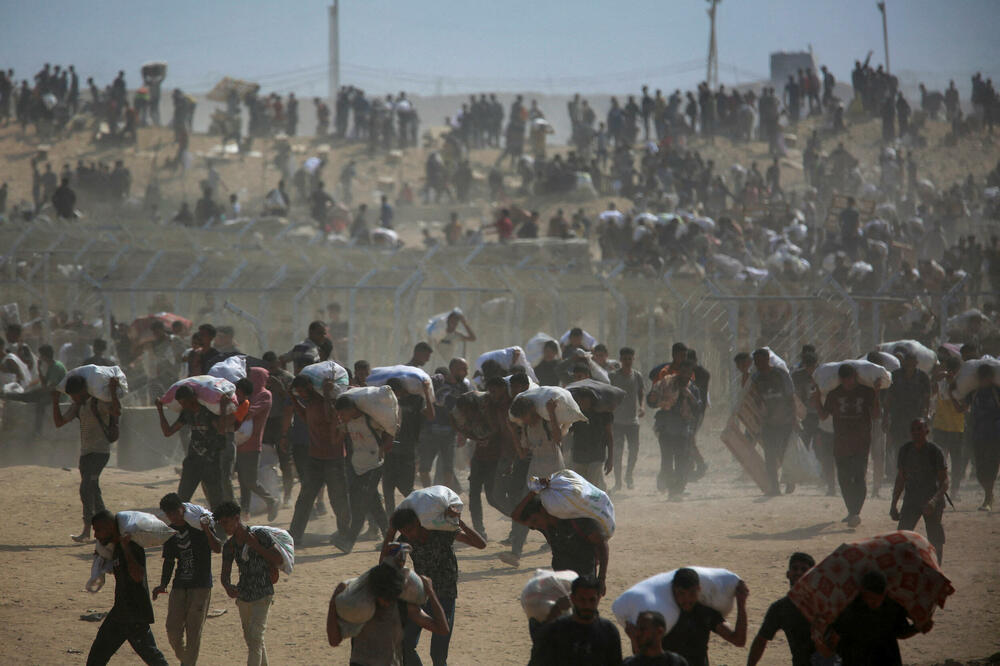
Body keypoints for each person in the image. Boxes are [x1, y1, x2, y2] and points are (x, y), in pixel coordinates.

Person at [384, 507, 486, 665]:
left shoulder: (442, 531)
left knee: (438, 655)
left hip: (445, 596)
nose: (409, 535)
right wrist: (391, 532)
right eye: (405, 532)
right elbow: (384, 564)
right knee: (405, 646)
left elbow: (481, 544)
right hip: (421, 595)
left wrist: (459, 522)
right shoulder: (405, 539)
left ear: (417, 522)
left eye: (410, 530)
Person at [86, 510, 169, 665]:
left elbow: (138, 576)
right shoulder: (116, 548)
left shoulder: (131, 546)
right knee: (97, 656)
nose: (96, 535)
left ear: (110, 526)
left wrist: (126, 549)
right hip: (120, 612)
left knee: (153, 658)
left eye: (98, 530)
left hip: (135, 614)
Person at [327, 562, 450, 665]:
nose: (386, 603)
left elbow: (442, 629)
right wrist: (333, 602)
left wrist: (431, 593)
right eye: (384, 598)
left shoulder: (403, 606)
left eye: (391, 598)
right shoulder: (360, 605)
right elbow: (334, 640)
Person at [153, 493, 221, 666]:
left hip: (201, 585)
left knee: (193, 631)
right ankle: (186, 659)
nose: (174, 517)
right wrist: (163, 584)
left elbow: (217, 548)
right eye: (169, 514)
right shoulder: (170, 531)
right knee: (172, 629)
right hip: (179, 584)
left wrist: (206, 529)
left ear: (183, 509)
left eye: (176, 512)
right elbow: (169, 560)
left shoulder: (198, 526)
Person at [52, 374, 120, 543]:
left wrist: (113, 391)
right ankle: (106, 527)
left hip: (100, 452)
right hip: (85, 454)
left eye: (75, 395)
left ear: (83, 390)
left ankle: (89, 529)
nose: (74, 398)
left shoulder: (98, 403)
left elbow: (116, 411)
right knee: (92, 490)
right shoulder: (77, 406)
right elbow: (59, 422)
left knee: (86, 488)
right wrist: (55, 401)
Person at [216, 500, 284, 666]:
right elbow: (224, 575)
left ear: (236, 518)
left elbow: (278, 559)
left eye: (226, 522)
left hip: (263, 592)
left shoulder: (259, 536)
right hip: (244, 595)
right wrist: (228, 587)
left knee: (255, 638)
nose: (224, 527)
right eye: (221, 524)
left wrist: (255, 545)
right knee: (253, 639)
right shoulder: (230, 546)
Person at [285, 375, 351, 545]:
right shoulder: (311, 404)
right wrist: (292, 397)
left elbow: (330, 418)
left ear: (310, 386)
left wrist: (327, 395)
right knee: (305, 499)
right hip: (316, 457)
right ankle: (295, 535)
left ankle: (345, 534)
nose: (301, 394)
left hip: (334, 459)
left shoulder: (327, 402)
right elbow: (304, 417)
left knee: (338, 499)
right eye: (298, 392)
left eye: (302, 390)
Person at [508, 484, 609, 592]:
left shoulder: (577, 521)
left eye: (535, 521)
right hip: (561, 581)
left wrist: (601, 578)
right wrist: (533, 492)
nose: (536, 526)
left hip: (584, 580)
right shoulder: (546, 527)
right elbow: (515, 516)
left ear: (543, 511)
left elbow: (602, 545)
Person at [815, 364, 881, 528]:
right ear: (841, 379)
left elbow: (875, 414)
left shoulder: (866, 392)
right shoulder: (834, 394)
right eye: (845, 380)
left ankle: (855, 511)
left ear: (855, 377)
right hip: (841, 442)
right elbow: (823, 416)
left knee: (859, 476)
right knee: (844, 478)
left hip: (861, 442)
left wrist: (877, 393)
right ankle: (852, 511)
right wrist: (816, 398)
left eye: (850, 379)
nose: (848, 383)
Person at [329, 393, 393, 553]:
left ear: (351, 409)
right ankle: (389, 539)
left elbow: (390, 431)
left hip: (374, 466)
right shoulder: (348, 423)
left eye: (342, 413)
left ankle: (349, 541)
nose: (340, 416)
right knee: (374, 504)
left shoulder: (371, 420)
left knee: (361, 503)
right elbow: (335, 441)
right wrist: (338, 424)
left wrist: (383, 448)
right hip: (357, 467)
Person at [822, 570, 929, 666]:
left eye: (877, 599)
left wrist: (917, 628)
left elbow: (901, 632)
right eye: (869, 598)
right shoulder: (849, 609)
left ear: (885, 593)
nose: (873, 602)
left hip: (887, 659)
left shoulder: (892, 606)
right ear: (862, 592)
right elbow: (834, 640)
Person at [155, 385, 229, 511]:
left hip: (211, 462)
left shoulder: (208, 412)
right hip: (193, 462)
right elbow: (168, 432)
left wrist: (223, 407)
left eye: (185, 402)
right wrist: (160, 410)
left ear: (194, 398)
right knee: (182, 500)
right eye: (181, 404)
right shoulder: (187, 414)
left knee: (217, 503)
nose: (184, 406)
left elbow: (222, 430)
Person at [661, 568, 748, 666]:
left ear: (699, 589)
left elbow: (738, 640)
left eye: (692, 593)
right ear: (674, 591)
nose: (687, 599)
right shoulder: (664, 614)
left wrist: (741, 604)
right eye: (681, 593)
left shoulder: (705, 614)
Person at [530, 574, 623, 666]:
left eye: (592, 600)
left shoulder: (608, 632)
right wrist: (555, 612)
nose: (587, 605)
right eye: (582, 600)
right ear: (572, 599)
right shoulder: (557, 631)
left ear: (598, 598)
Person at [890, 418, 948, 562]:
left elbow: (945, 482)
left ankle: (936, 568)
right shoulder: (905, 450)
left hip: (931, 500)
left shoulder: (935, 451)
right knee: (902, 537)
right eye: (913, 430)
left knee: (935, 539)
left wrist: (934, 501)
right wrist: (893, 504)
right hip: (911, 500)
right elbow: (901, 479)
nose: (916, 432)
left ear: (926, 430)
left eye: (919, 429)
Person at [747, 552, 817, 666]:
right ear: (788, 574)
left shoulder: (826, 602)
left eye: (804, 569)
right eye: (795, 568)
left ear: (813, 575)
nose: (798, 572)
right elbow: (761, 640)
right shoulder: (781, 608)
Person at [648, 361, 703, 500]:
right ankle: (669, 486)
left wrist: (689, 395)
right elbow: (652, 401)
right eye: (682, 372)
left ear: (691, 374)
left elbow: (698, 409)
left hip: (683, 429)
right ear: (678, 372)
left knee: (681, 461)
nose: (685, 376)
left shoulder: (692, 389)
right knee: (667, 460)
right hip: (665, 428)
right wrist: (654, 399)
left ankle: (677, 490)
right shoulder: (666, 383)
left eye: (688, 373)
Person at [750, 348, 797, 496]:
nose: (757, 364)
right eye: (755, 362)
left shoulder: (780, 374)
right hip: (768, 422)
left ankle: (789, 481)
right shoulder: (756, 377)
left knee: (783, 453)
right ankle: (774, 487)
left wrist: (793, 417)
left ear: (767, 360)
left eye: (760, 361)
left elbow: (790, 396)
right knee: (770, 455)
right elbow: (755, 397)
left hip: (784, 420)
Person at [233, 373, 280, 522]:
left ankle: (271, 500)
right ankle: (245, 512)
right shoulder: (249, 397)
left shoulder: (264, 395)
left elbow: (249, 413)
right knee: (243, 481)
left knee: (250, 481)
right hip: (240, 442)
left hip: (252, 444)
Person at [884, 353, 931, 483]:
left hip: (916, 418)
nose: (909, 364)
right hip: (898, 418)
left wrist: (926, 415)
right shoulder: (895, 376)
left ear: (916, 363)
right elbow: (889, 398)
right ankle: (901, 475)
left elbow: (927, 398)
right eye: (907, 361)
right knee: (899, 447)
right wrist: (886, 416)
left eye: (912, 361)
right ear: (904, 362)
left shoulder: (922, 377)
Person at [609, 347, 645, 491]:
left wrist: (642, 407)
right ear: (621, 360)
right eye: (625, 359)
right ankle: (618, 482)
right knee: (617, 452)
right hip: (617, 421)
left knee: (634, 450)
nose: (627, 361)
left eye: (630, 359)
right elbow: (608, 393)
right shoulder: (613, 376)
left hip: (632, 421)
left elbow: (641, 392)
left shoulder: (637, 376)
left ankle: (629, 476)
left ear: (633, 359)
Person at [966, 364, 1000, 512]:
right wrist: (951, 392)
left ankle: (988, 498)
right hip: (978, 436)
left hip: (995, 435)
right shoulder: (974, 393)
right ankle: (989, 494)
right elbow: (961, 408)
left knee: (991, 467)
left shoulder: (996, 392)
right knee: (979, 470)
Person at [931, 356, 966, 499]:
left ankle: (950, 490)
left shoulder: (961, 385)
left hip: (949, 427)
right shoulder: (943, 382)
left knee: (950, 461)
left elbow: (961, 406)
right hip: (950, 427)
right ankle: (949, 490)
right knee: (947, 461)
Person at [567, 388, 614, 490]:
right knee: (580, 488)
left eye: (584, 400)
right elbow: (567, 432)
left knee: (593, 487)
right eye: (579, 400)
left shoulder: (603, 414)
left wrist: (610, 459)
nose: (581, 402)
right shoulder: (575, 415)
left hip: (596, 456)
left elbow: (609, 436)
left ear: (591, 400)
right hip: (578, 456)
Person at [623, 611, 688, 665]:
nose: (638, 633)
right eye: (637, 628)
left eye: (643, 629)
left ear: (660, 631)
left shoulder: (676, 662)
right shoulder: (629, 663)